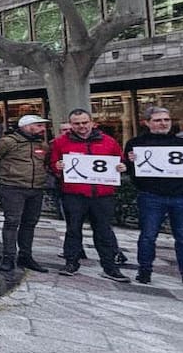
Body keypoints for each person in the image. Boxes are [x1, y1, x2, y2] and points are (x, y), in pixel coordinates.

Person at [51, 108, 129, 282]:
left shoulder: (108, 141)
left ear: (92, 122)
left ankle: (110, 267)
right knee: (73, 229)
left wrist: (122, 167)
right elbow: (52, 164)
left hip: (102, 195)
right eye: (77, 123)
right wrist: (57, 166)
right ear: (71, 125)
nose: (82, 126)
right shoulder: (60, 142)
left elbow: (120, 160)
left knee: (104, 231)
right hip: (74, 194)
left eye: (85, 122)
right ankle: (71, 262)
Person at [124, 106, 183, 285]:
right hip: (151, 196)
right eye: (158, 120)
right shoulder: (135, 144)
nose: (163, 123)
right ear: (147, 122)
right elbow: (128, 170)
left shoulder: (181, 143)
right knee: (148, 236)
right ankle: (144, 270)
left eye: (166, 120)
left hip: (181, 196)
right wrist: (129, 162)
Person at [0, 115, 52, 274]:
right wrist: (8, 175)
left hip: (35, 189)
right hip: (13, 188)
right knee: (12, 222)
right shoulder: (7, 142)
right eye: (39, 126)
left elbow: (45, 162)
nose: (43, 129)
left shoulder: (42, 144)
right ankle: (8, 256)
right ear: (27, 126)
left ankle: (26, 255)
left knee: (30, 223)